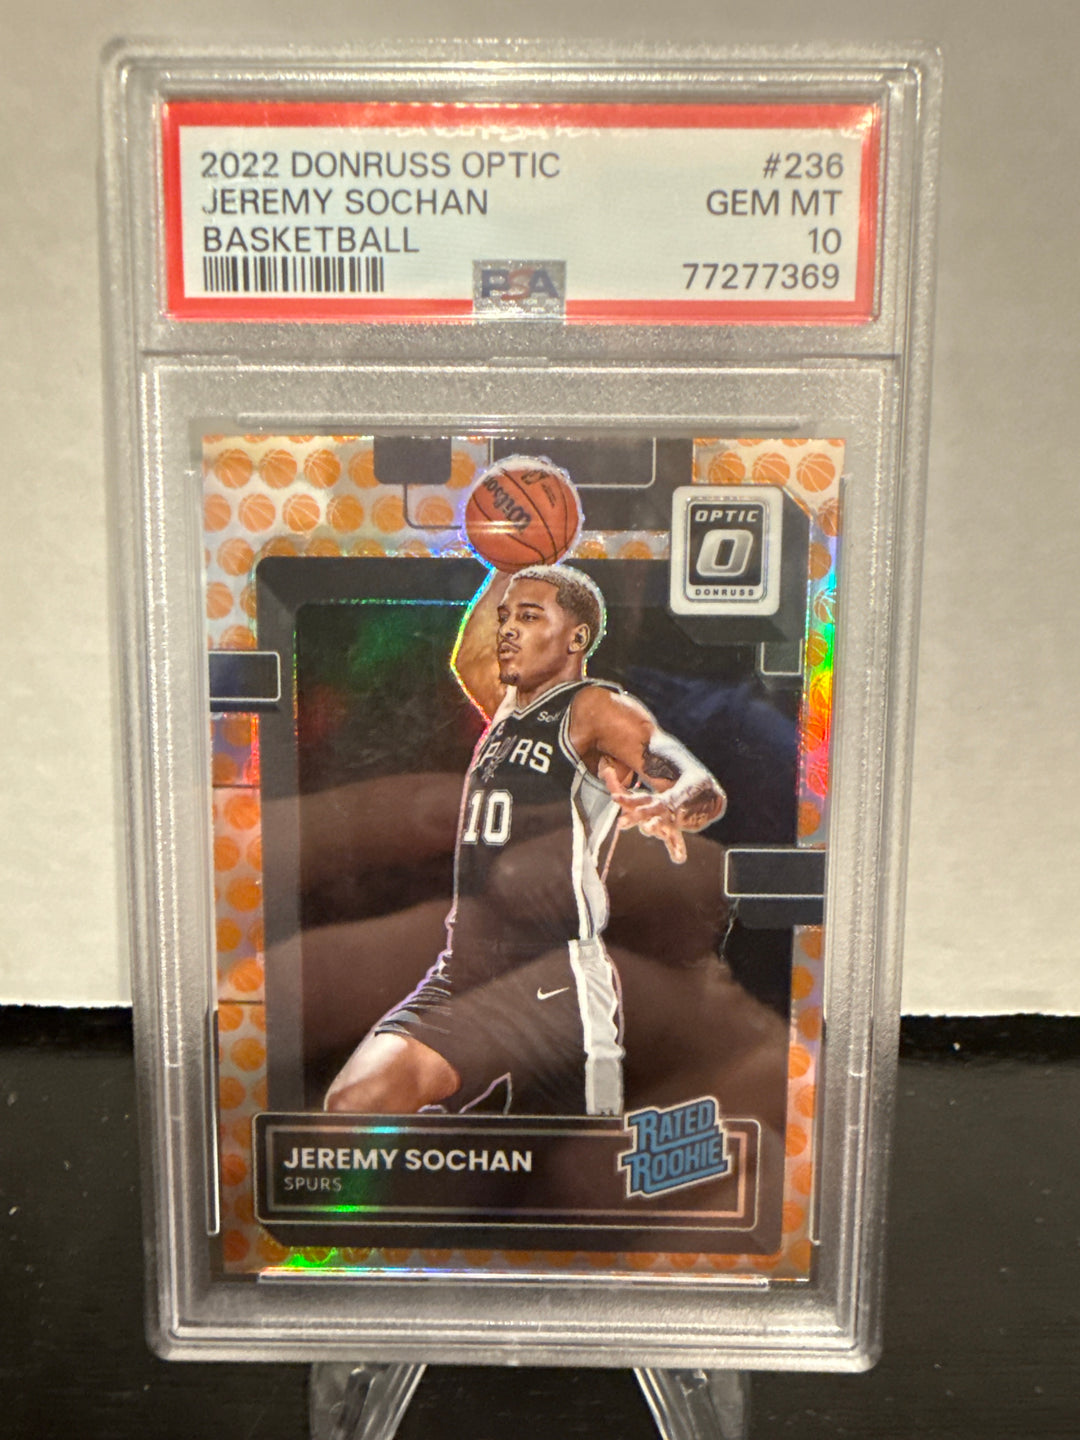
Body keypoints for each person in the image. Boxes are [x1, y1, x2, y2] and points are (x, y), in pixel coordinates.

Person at [324, 563, 726, 1117]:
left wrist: (670, 803)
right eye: (505, 617)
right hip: (465, 967)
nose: (508, 628)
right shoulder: (509, 708)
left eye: (530, 617)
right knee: (356, 1102)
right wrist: (505, 553)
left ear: (576, 638)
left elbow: (698, 783)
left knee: (579, 1161)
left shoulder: (594, 707)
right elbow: (469, 658)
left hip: (552, 974)